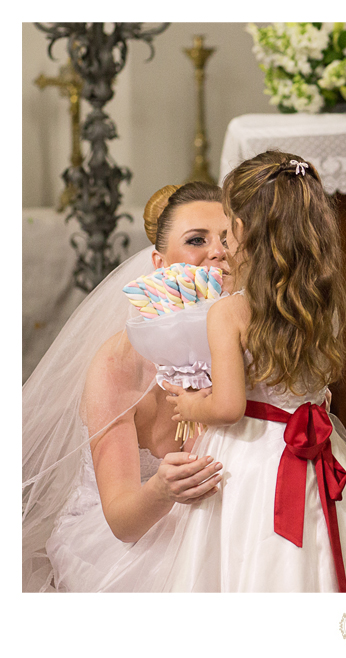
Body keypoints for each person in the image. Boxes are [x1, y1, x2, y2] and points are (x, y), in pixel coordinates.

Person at [163, 151, 346, 592]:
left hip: (253, 462)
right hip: (319, 447)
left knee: (256, 563)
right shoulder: (322, 298)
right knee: (323, 559)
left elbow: (229, 405)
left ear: (244, 229)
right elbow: (320, 386)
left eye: (228, 223)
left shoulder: (230, 312)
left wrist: (189, 402)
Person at [23, 182, 231, 592]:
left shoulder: (253, 344)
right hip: (135, 539)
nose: (218, 251)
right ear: (158, 262)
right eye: (197, 240)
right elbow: (122, 522)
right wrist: (162, 488)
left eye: (227, 238)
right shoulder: (118, 364)